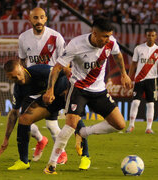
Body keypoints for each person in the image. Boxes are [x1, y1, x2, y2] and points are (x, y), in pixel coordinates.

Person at [42, 17, 132, 174]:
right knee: (70, 126)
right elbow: (57, 68)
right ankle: (51, 165)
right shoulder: (76, 45)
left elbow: (117, 55)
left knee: (120, 125)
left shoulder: (110, 42)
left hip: (99, 91)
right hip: (78, 89)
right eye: (104, 36)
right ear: (94, 33)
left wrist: (124, 74)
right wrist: (50, 90)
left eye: (109, 35)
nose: (107, 39)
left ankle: (83, 133)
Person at [18, 7, 67, 163]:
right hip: (32, 86)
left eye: (41, 18)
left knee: (52, 124)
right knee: (24, 121)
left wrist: (64, 85)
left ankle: (62, 153)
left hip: (51, 86)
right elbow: (22, 61)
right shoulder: (23, 38)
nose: (38, 21)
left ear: (46, 19)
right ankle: (41, 140)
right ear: (30, 19)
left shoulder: (56, 37)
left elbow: (64, 62)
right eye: (35, 18)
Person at [126, 28, 158, 134]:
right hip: (139, 79)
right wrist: (129, 77)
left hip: (152, 80)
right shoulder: (138, 48)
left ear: (156, 36)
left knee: (151, 104)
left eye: (153, 35)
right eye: (149, 35)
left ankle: (148, 128)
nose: (150, 37)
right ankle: (131, 125)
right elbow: (134, 63)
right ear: (146, 36)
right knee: (135, 102)